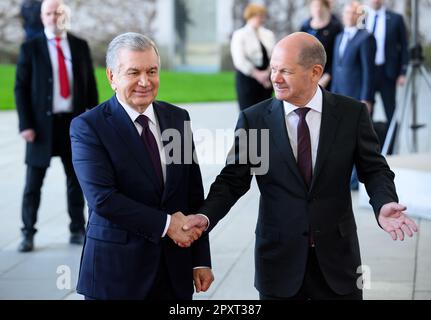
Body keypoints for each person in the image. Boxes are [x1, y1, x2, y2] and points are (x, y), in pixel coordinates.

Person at [183, 32, 418, 300]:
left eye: (285, 71)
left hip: (338, 263)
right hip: (278, 263)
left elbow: (374, 169)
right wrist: (205, 217)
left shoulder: (351, 114)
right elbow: (232, 180)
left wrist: (383, 201)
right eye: (273, 69)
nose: (275, 78)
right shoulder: (254, 119)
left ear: (315, 72)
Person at [70, 32, 214, 300]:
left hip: (174, 273)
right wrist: (168, 224)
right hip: (117, 274)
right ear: (112, 77)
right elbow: (103, 199)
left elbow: (192, 193)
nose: (145, 82)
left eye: (152, 71)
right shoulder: (89, 127)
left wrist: (200, 260)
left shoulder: (177, 118)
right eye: (133, 72)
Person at [14, 0, 98, 252]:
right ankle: (28, 233)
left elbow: (90, 86)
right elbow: (20, 88)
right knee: (33, 183)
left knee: (76, 180)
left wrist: (93, 121)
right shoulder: (30, 48)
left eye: (58, 12)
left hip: (73, 125)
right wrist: (25, 125)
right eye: (49, 13)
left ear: (65, 16)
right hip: (40, 127)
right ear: (42, 17)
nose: (54, 17)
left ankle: (77, 229)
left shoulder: (80, 46)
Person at [331, 1, 376, 190]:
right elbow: (336, 68)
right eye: (346, 12)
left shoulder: (366, 37)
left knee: (358, 139)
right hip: (338, 95)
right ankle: (344, 176)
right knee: (340, 138)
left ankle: (357, 180)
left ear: (359, 15)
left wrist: (367, 97)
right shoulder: (339, 37)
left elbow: (369, 71)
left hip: (358, 97)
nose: (348, 15)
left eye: (352, 12)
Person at [365, 0, 409, 154]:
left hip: (387, 73)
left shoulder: (395, 18)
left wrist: (403, 72)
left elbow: (404, 46)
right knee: (364, 113)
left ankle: (391, 149)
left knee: (391, 112)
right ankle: (369, 150)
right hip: (367, 74)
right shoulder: (361, 18)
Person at [231, 3, 275, 110]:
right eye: (257, 15)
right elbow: (239, 60)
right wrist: (258, 75)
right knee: (249, 113)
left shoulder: (268, 34)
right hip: (248, 79)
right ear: (250, 16)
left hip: (266, 79)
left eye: (262, 15)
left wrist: (267, 73)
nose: (260, 18)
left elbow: (274, 56)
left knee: (266, 112)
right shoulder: (239, 34)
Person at [300, 0, 343, 89]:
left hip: (328, 76)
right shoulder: (305, 26)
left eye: (320, 6)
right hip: (307, 74)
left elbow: (337, 56)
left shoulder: (335, 27)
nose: (318, 9)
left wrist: (327, 76)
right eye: (315, 6)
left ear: (327, 8)